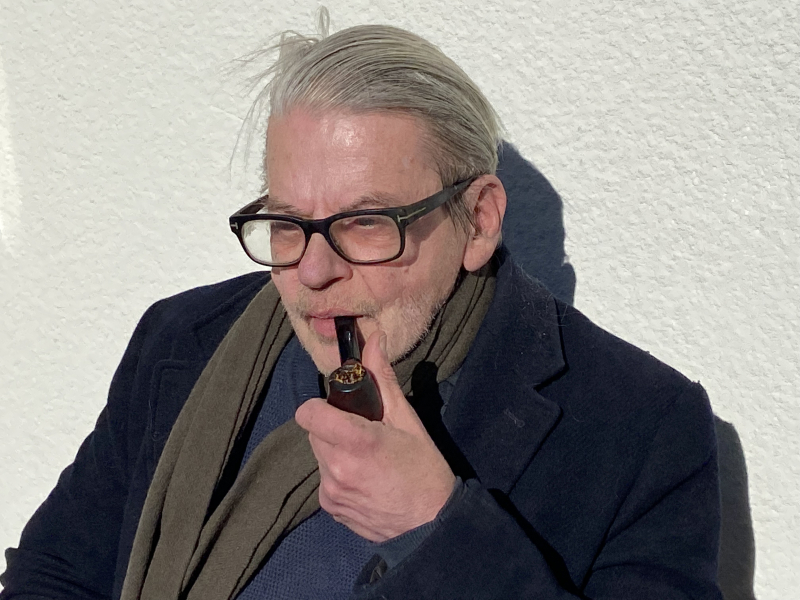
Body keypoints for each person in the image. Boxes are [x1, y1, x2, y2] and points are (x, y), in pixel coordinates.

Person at [1, 18, 723, 600]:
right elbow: (55, 573)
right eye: (288, 223)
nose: (314, 272)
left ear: (478, 220)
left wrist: (432, 528)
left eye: (366, 222)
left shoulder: (639, 427)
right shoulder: (183, 342)